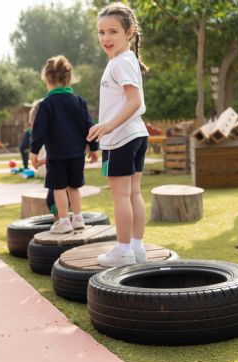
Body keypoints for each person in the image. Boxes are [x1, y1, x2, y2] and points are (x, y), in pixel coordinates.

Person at [87, 2, 150, 267]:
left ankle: (123, 251)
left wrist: (109, 126)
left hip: (122, 139)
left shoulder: (119, 64)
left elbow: (133, 101)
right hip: (136, 135)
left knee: (122, 196)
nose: (106, 38)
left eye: (112, 31)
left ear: (130, 32)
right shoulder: (126, 60)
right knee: (133, 193)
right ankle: (136, 248)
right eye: (101, 32)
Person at [30, 55, 99, 234]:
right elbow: (89, 126)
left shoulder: (46, 104)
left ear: (46, 78)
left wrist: (34, 151)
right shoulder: (80, 102)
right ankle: (78, 218)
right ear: (68, 78)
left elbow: (39, 130)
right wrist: (93, 149)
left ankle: (63, 221)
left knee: (59, 188)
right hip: (77, 155)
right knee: (73, 186)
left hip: (57, 155)